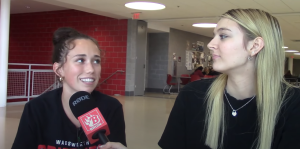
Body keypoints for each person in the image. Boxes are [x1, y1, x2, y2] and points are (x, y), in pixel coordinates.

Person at [158, 9, 300, 149]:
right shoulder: (192, 95)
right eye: (214, 36)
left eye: (223, 36)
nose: (210, 44)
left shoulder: (292, 104)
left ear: (255, 46)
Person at [12, 27, 127, 149]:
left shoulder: (111, 108)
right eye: (80, 60)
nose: (91, 69)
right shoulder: (37, 109)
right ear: (59, 69)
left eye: (96, 61)